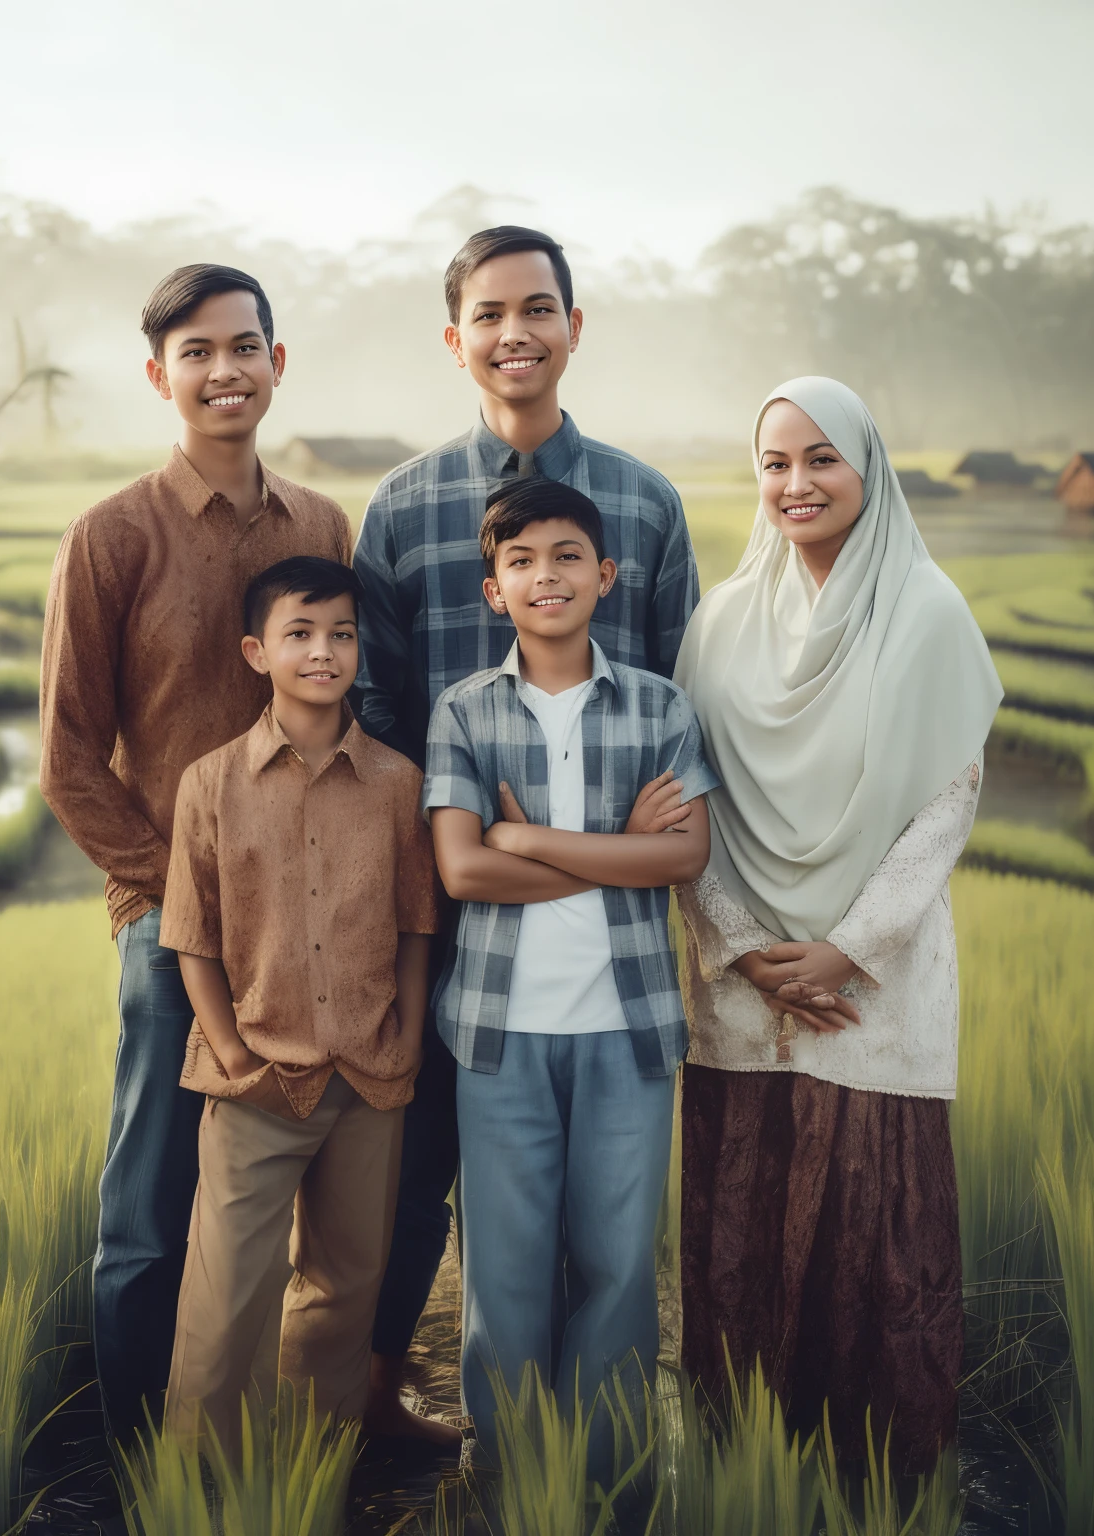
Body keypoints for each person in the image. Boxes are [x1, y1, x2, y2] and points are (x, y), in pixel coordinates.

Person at [353, 225, 700, 1446]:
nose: (516, 333)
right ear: (456, 339)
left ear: (573, 326)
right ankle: (378, 1409)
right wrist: (452, 859)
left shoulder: (646, 506)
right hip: (452, 904)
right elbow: (380, 708)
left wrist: (557, 844)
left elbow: (674, 688)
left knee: (605, 1216)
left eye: (538, 308)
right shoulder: (400, 509)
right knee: (435, 1180)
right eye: (489, 314)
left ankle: (593, 1451)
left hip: (614, 933)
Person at [39, 265, 351, 1453]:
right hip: (169, 927)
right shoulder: (111, 536)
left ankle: (247, 1424)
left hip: (311, 920)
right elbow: (70, 758)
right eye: (198, 350)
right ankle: (131, 1454)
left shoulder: (322, 527)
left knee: (280, 1186)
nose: (225, 369)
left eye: (245, 346)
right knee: (154, 1197)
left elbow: (340, 707)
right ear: (159, 373)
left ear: (279, 363)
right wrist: (177, 893)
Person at [672, 376, 1002, 1473]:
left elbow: (946, 800)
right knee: (746, 1225)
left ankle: (877, 1475)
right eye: (774, 463)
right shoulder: (721, 624)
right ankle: (745, 1464)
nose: (795, 483)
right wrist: (747, 946)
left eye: (822, 459)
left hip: (877, 978)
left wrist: (846, 949)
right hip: (741, 980)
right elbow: (689, 802)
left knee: (875, 1227)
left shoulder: (926, 610)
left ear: (869, 467)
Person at [425, 477, 718, 1470]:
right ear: (493, 591)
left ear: (606, 575)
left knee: (617, 1264)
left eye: (563, 558)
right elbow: (462, 869)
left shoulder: (659, 707)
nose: (544, 577)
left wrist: (526, 836)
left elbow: (681, 859)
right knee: (503, 1269)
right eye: (519, 562)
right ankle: (508, 1469)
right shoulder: (463, 712)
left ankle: (606, 1467)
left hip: (628, 1028)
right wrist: (607, 850)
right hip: (497, 1031)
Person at [160, 557, 436, 1453]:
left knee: (345, 1286)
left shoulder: (397, 783)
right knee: (225, 1295)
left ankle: (316, 1473)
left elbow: (415, 927)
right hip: (256, 1084)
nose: (325, 651)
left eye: (342, 634)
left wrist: (404, 1039)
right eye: (301, 634)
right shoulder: (210, 783)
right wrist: (235, 1057)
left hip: (367, 1078)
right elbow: (192, 938)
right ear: (257, 651)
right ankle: (204, 1487)